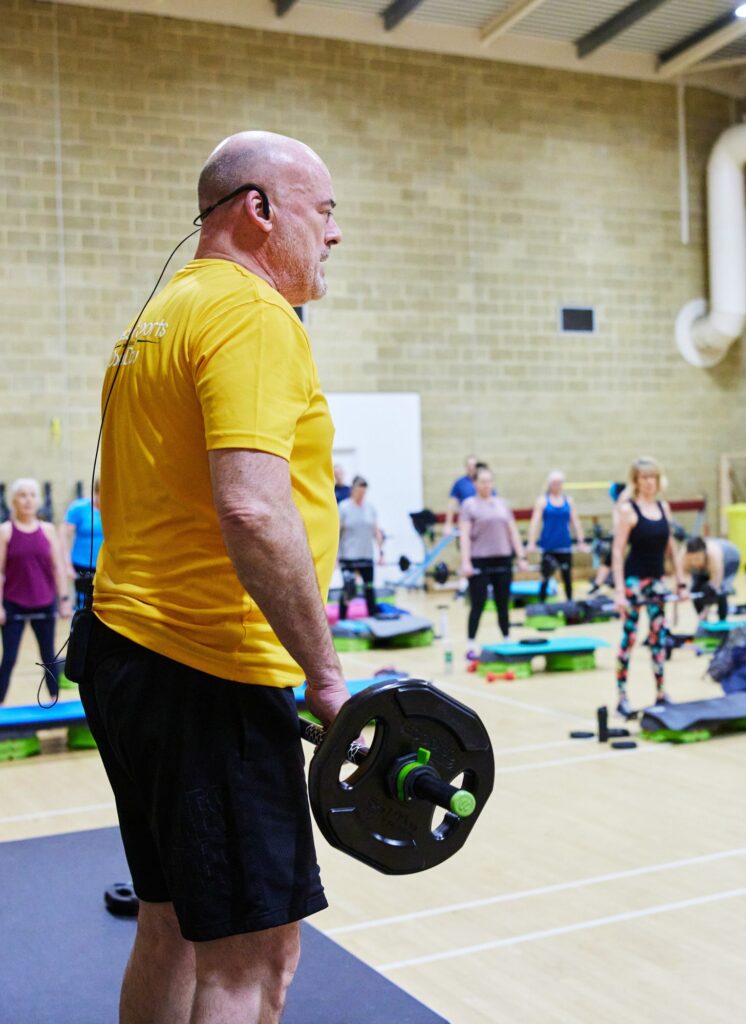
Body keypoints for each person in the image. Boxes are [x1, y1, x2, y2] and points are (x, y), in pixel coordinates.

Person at [78, 131, 348, 1024]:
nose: (336, 236)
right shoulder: (251, 312)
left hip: (128, 653)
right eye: (325, 211)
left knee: (170, 924)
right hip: (211, 672)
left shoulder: (157, 316)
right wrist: (326, 674)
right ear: (259, 210)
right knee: (253, 961)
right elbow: (253, 509)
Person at [611, 457, 683, 718]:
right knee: (629, 639)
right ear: (636, 481)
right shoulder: (628, 510)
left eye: (653, 477)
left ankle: (661, 693)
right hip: (634, 582)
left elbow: (671, 548)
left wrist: (681, 581)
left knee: (658, 639)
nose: (649, 482)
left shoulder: (664, 507)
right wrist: (619, 591)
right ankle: (621, 697)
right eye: (644, 478)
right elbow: (617, 552)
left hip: (657, 582)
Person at [0, 478, 72, 703]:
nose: (28, 500)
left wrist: (63, 600)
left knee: (48, 656)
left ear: (38, 500)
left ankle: (54, 702)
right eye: (22, 495)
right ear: (14, 501)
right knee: (9, 658)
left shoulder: (48, 530)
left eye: (32, 495)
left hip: (44, 601)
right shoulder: (5, 531)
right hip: (14, 603)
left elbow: (58, 568)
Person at [459, 464, 528, 657]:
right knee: (478, 603)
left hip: (503, 559)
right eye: (482, 482)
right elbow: (464, 536)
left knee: (503, 602)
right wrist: (466, 562)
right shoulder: (469, 505)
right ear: (475, 483)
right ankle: (471, 643)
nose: (486, 485)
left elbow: (512, 532)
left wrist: (521, 556)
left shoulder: (501, 504)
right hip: (480, 560)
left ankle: (506, 637)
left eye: (489, 482)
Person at [526, 470, 587, 603]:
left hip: (564, 545)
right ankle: (541, 603)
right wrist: (531, 542)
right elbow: (535, 522)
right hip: (548, 545)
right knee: (545, 576)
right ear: (549, 484)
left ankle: (570, 603)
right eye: (554, 483)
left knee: (567, 576)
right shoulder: (543, 501)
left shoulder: (568, 501)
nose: (557, 486)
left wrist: (580, 541)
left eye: (559, 483)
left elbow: (575, 522)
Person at [338, 475, 385, 619]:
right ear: (353, 490)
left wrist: (381, 553)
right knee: (349, 588)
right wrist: (335, 556)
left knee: (369, 589)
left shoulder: (370, 508)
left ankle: (373, 618)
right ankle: (342, 619)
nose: (362, 494)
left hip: (366, 555)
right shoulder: (344, 507)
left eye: (364, 491)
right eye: (360, 491)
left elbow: (376, 531)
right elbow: (337, 532)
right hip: (348, 556)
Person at [61, 478, 104, 610]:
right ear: (96, 492)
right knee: (83, 607)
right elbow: (63, 535)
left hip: (105, 567)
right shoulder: (79, 508)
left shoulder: (116, 510)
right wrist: (67, 565)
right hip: (82, 566)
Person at [678, 536, 741, 622]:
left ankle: (722, 623)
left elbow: (715, 587)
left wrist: (705, 612)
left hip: (729, 559)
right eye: (691, 560)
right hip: (706, 565)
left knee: (719, 592)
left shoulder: (714, 556)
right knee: (695, 590)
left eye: (697, 559)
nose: (694, 563)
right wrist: (683, 589)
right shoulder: (683, 555)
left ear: (704, 553)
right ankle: (704, 623)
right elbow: (680, 580)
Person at [444, 454, 480, 535]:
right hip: (466, 522)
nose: (471, 467)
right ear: (466, 467)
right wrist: (448, 524)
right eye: (469, 465)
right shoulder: (459, 483)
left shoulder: (484, 482)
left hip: (481, 522)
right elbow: (451, 504)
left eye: (473, 465)